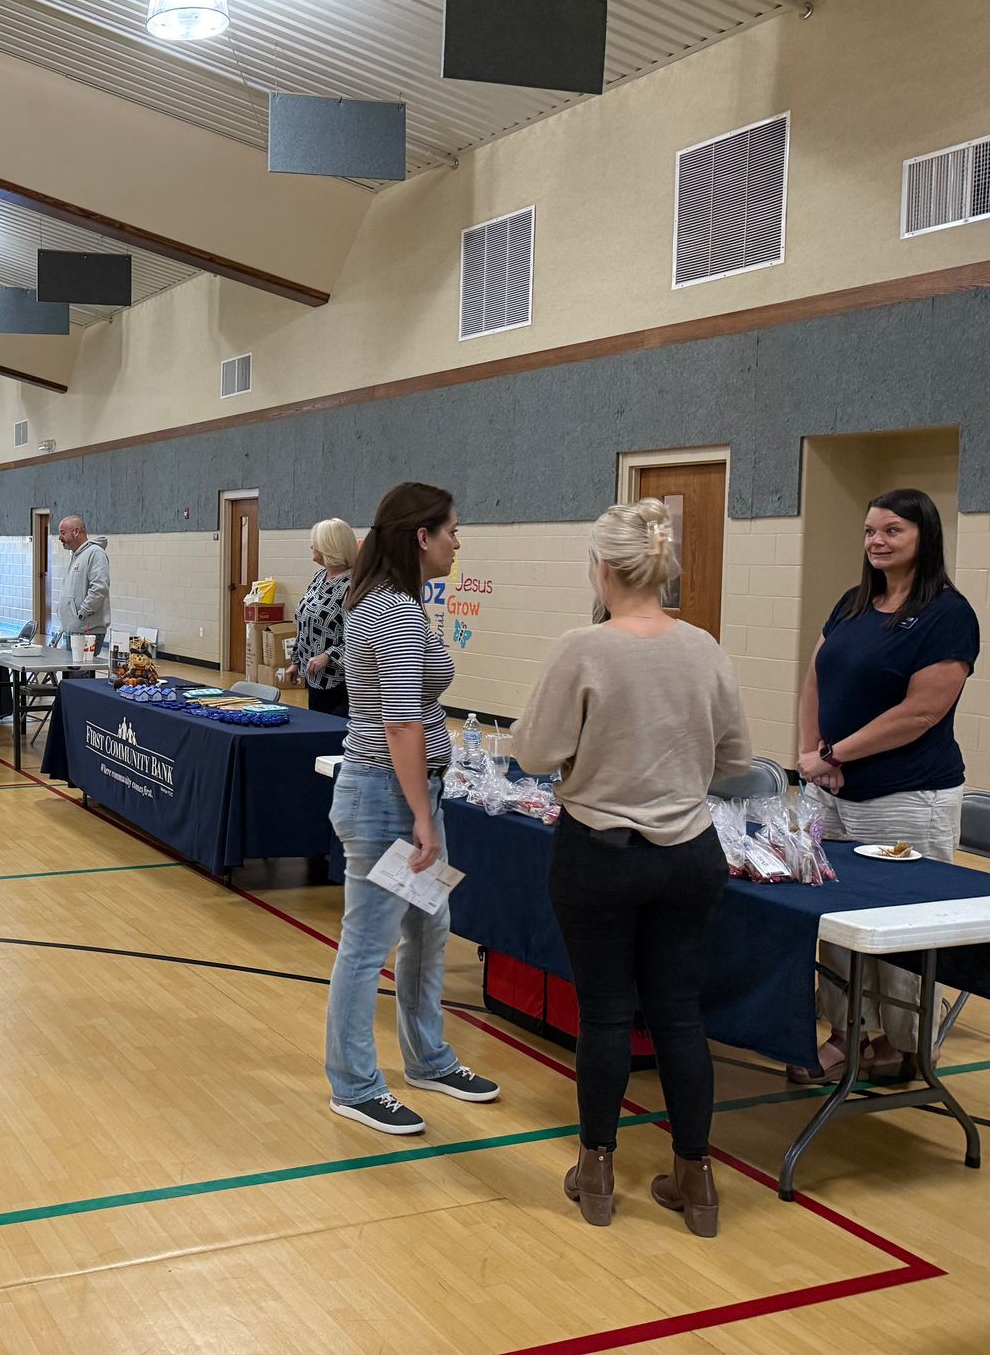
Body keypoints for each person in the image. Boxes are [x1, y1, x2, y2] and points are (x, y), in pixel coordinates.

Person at [514, 499, 751, 1237]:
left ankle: (596, 1169)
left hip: (600, 852)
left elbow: (533, 753)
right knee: (679, 1013)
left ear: (603, 570)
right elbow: (736, 759)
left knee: (606, 1013)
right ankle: (696, 1177)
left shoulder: (582, 648)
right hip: (690, 854)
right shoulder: (704, 647)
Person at [323, 482, 500, 1136]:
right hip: (386, 799)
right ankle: (354, 1083)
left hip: (410, 794)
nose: (458, 542)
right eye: (452, 530)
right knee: (367, 944)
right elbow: (399, 723)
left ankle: (428, 1058)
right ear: (421, 537)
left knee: (428, 928)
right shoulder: (392, 610)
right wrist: (422, 816)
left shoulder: (397, 602)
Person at [794, 487, 980, 1084]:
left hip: (906, 799)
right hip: (831, 794)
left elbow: (920, 712)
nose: (877, 541)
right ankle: (847, 1034)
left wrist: (835, 753)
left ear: (924, 536)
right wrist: (811, 756)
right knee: (835, 922)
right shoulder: (853, 603)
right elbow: (815, 680)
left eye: (892, 530)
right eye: (870, 531)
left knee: (900, 930)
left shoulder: (949, 615)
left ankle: (906, 1046)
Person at [283, 518, 357, 717]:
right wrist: (296, 662)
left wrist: (328, 656)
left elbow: (356, 637)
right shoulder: (319, 577)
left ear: (329, 547)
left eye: (315, 543)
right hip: (315, 678)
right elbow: (305, 623)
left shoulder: (352, 586)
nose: (311, 547)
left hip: (341, 683)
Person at [53, 516, 110, 645]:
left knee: (80, 660)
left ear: (76, 532)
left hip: (87, 631)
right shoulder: (76, 555)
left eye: (63, 533)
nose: (59, 537)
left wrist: (82, 613)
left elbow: (99, 589)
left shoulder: (96, 553)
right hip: (73, 629)